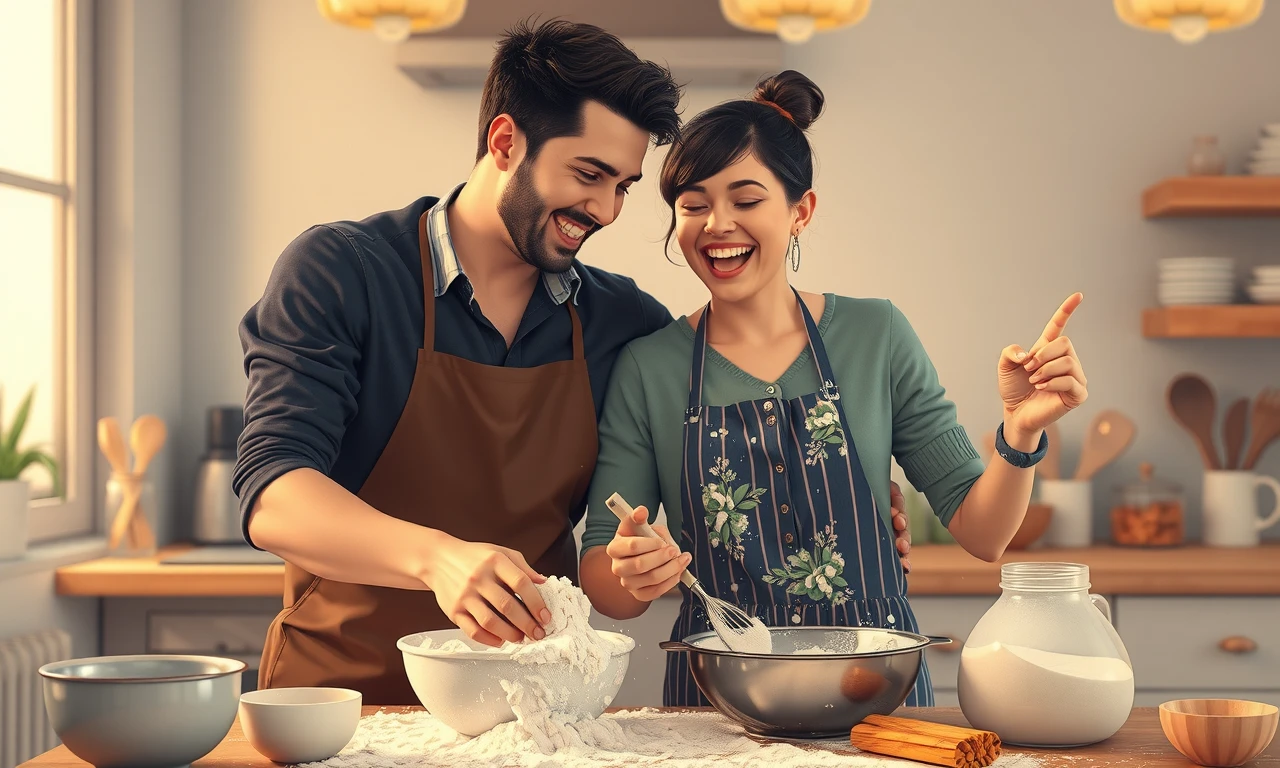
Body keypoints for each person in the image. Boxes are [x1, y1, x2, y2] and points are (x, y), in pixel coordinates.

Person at [578, 70, 1087, 708]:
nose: (718, 224)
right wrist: (633, 568)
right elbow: (604, 579)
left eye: (746, 199)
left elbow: (983, 534)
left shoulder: (875, 334)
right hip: (722, 701)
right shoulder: (649, 366)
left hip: (875, 685)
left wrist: (1021, 429)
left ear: (800, 211)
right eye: (695, 204)